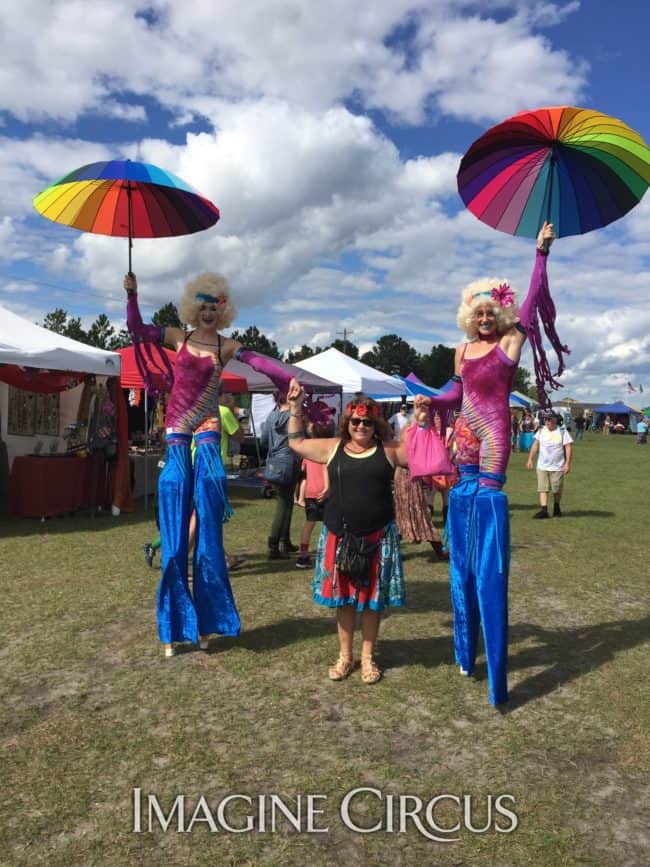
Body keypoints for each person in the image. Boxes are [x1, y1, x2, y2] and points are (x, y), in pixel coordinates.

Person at [410, 221, 568, 705]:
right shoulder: (461, 350)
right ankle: (465, 651)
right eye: (477, 312)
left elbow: (531, 305)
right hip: (463, 445)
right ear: (468, 316)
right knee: (461, 560)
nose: (484, 318)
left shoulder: (509, 342)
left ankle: (497, 668)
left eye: (489, 312)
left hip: (495, 444)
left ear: (498, 314)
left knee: (487, 561)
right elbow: (455, 393)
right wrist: (426, 401)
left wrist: (540, 255)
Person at [125, 271, 291, 656]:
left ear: (222, 310)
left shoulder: (226, 346)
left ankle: (205, 619)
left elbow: (262, 363)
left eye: (214, 306)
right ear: (192, 308)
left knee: (209, 516)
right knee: (174, 504)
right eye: (201, 305)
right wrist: (132, 295)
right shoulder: (176, 337)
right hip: (178, 426)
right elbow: (136, 330)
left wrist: (288, 381)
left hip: (208, 425)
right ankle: (173, 626)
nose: (207, 312)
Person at [286, 378, 410, 684]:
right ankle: (345, 657)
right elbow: (296, 442)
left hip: (377, 537)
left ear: (376, 424)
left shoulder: (390, 450)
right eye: (356, 421)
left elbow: (424, 456)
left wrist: (421, 422)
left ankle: (368, 658)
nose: (361, 426)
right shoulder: (333, 447)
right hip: (338, 536)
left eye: (368, 422)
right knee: (343, 600)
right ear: (348, 422)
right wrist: (296, 407)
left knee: (371, 600)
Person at [142, 398, 245, 569]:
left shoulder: (192, 410)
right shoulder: (222, 411)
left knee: (197, 516)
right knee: (198, 517)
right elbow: (239, 436)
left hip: (190, 467)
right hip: (208, 470)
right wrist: (233, 413)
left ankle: (222, 558)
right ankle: (175, 560)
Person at [295, 420, 333, 569]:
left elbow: (304, 474)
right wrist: (327, 488)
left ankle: (303, 555)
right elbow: (326, 469)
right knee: (331, 524)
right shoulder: (329, 449)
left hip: (311, 492)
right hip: (327, 492)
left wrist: (299, 495)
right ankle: (330, 553)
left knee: (309, 523)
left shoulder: (308, 450)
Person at [527, 410, 573, 517]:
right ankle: (544, 510)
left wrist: (567, 463)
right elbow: (535, 445)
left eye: (550, 419)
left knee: (557, 489)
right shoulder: (541, 431)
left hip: (557, 466)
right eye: (545, 419)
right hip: (542, 466)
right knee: (543, 488)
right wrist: (530, 459)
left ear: (555, 419)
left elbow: (568, 447)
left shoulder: (562, 431)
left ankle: (557, 507)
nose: (547, 421)